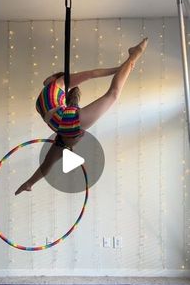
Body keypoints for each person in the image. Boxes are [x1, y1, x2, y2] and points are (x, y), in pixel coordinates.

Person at [15, 37, 148, 195]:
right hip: (65, 128)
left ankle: (134, 55)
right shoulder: (54, 94)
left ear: (55, 77)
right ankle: (29, 183)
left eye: (50, 76)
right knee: (112, 95)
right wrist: (121, 68)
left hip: (65, 127)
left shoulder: (60, 82)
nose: (46, 79)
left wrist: (120, 68)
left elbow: (92, 74)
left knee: (113, 95)